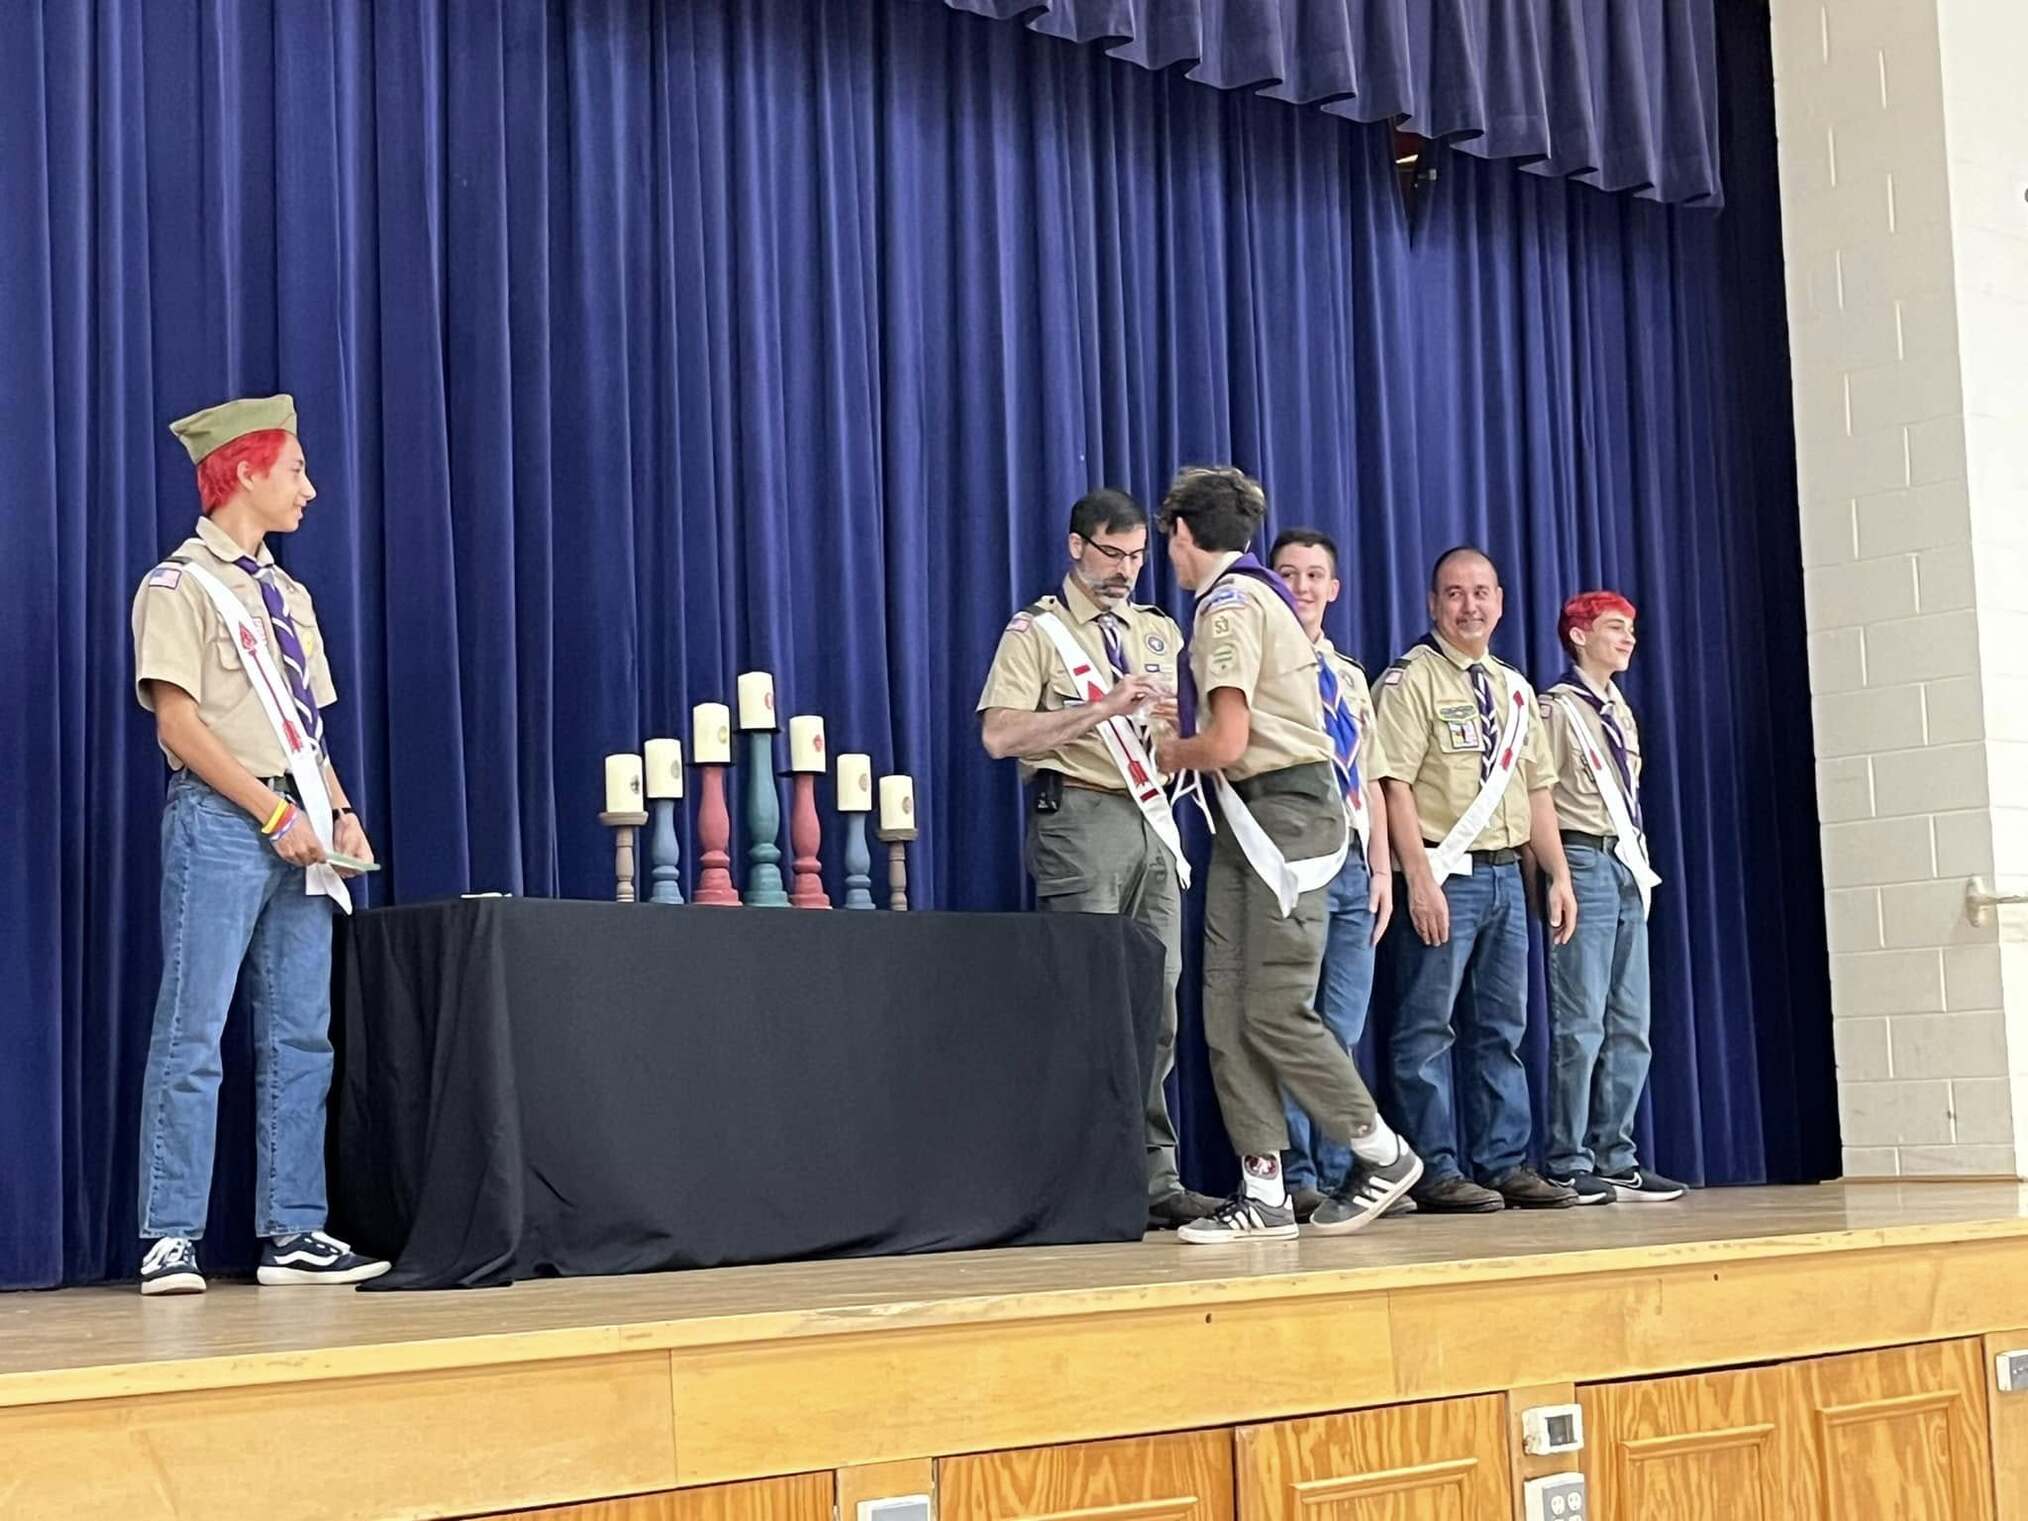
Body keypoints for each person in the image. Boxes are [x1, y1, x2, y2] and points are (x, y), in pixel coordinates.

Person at [129, 394, 388, 1294]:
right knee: (194, 1028)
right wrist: (271, 815)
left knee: (300, 1033)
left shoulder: (289, 595)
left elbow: (305, 729)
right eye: (296, 471)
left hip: (301, 825)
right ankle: (170, 1233)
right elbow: (179, 722)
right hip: (222, 819)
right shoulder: (178, 586)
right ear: (244, 470)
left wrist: (339, 812)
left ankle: (293, 1229)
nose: (310, 490)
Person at [1152, 467, 1421, 1242]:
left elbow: (1229, 741)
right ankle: (1263, 1188)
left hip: (1281, 813)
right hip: (1250, 818)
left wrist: (1170, 752)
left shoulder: (1230, 606)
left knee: (1271, 1003)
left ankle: (1380, 1150)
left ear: (1179, 533)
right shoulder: (1260, 596)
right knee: (1228, 1008)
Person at [976, 487, 1219, 1230]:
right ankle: (1082, 1177)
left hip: (1155, 821)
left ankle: (1154, 1173)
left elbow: (1197, 723)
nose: (1126, 569)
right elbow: (1000, 735)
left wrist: (1186, 721)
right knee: (1086, 1002)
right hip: (1080, 814)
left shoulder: (1156, 629)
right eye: (1112, 553)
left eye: (1139, 555)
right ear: (1077, 546)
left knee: (1159, 1002)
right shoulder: (1040, 633)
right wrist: (1100, 709)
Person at [1371, 546, 1579, 1213]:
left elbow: (1537, 793)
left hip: (1505, 878)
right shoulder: (1411, 680)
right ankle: (1432, 1165)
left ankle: (1503, 1158)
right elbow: (1392, 783)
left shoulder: (1515, 690)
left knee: (1501, 1028)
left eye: (1482, 592)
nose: (1470, 606)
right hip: (1443, 871)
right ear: (1433, 603)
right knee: (1426, 1027)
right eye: (1455, 594)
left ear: (1500, 600)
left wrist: (1559, 876)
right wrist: (1419, 879)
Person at [1265, 528, 1406, 1222]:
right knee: (1293, 1021)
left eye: (1315, 574)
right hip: (1297, 862)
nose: (1303, 585)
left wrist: (1382, 867)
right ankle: (1296, 1171)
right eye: (1288, 572)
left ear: (1334, 587)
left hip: (1353, 863)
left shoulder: (1348, 675)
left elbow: (1374, 777)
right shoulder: (1265, 665)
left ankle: (1334, 1162)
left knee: (1339, 1026)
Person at [1539, 591, 1686, 1204]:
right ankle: (1567, 1156)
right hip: (1580, 856)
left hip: (1625, 860)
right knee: (1581, 1022)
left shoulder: (1620, 710)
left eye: (1630, 629)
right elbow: (1538, 792)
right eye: (1614, 628)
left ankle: (1614, 1151)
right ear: (1578, 636)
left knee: (1632, 1021)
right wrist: (1555, 876)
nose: (1627, 639)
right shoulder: (1557, 708)